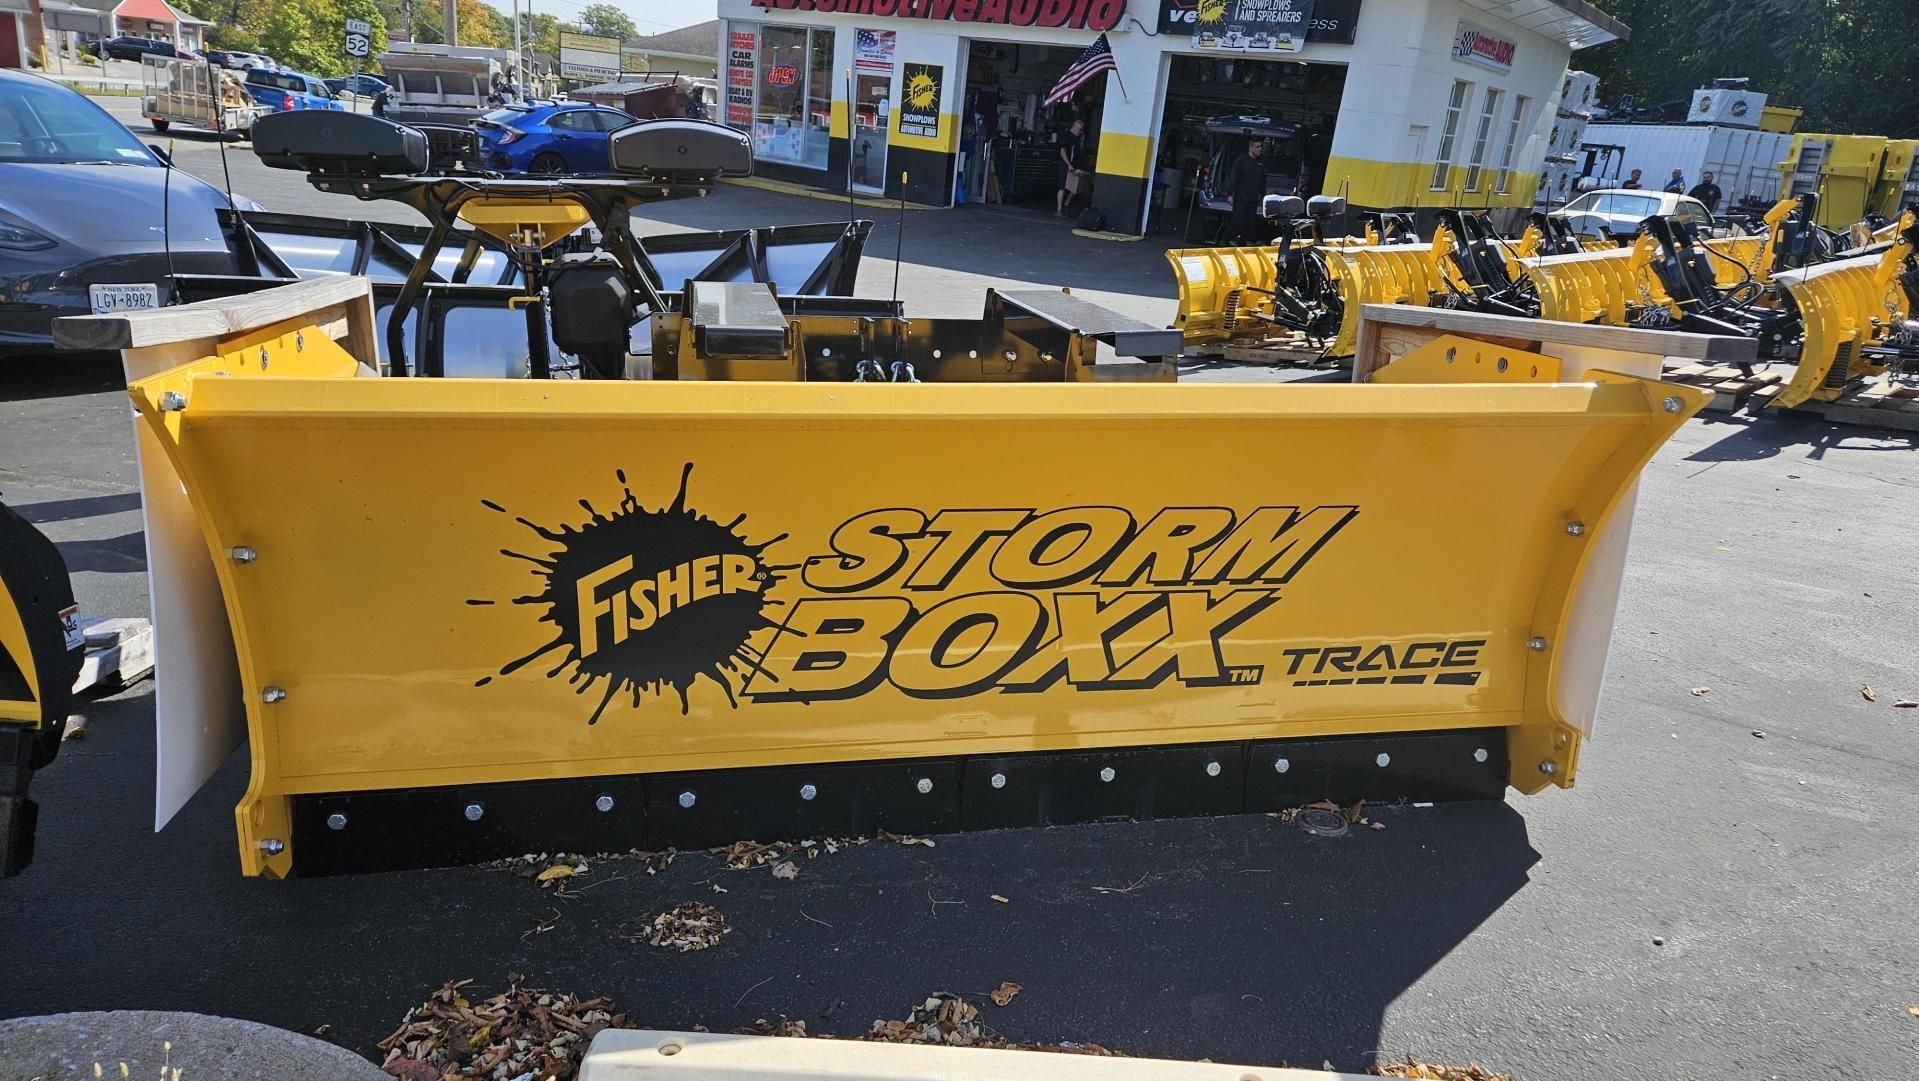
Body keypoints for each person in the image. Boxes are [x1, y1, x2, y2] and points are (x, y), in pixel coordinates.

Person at [1224, 139, 1267, 243]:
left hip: (1253, 198)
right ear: (1251, 147)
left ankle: (1243, 242)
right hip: (1241, 197)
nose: (1260, 149)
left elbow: (1262, 182)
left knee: (1250, 222)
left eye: (1261, 146)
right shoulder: (1241, 161)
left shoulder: (1260, 163)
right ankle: (1226, 240)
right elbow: (1234, 177)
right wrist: (1230, 194)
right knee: (1237, 220)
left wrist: (1263, 197)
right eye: (1257, 147)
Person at [1055, 118, 1085, 217]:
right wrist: (1069, 165)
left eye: (1081, 130)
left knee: (1074, 187)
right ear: (1075, 127)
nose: (1080, 132)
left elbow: (1077, 153)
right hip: (1064, 164)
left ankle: (1066, 205)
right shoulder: (1067, 137)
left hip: (1072, 164)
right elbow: (1062, 152)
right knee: (1062, 186)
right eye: (1079, 129)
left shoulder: (1077, 139)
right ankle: (1059, 209)